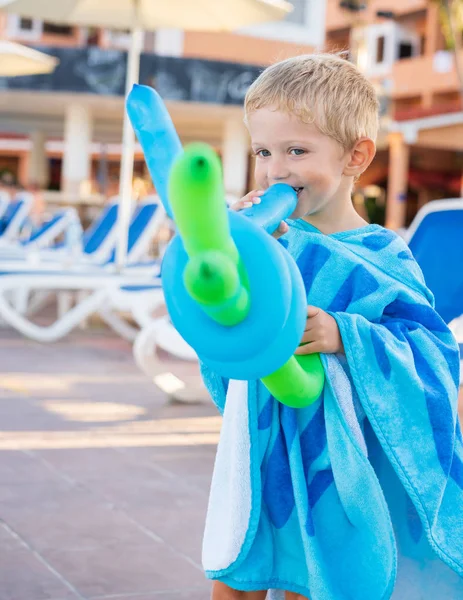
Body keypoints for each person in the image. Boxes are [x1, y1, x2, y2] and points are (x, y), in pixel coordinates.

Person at [200, 54, 463, 600]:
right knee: (235, 574)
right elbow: (227, 326)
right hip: (262, 442)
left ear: (355, 156)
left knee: (311, 578)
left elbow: (433, 351)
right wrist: (239, 261)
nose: (276, 171)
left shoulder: (381, 254)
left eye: (297, 151)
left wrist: (345, 334)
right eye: (264, 152)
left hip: (335, 465)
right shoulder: (267, 245)